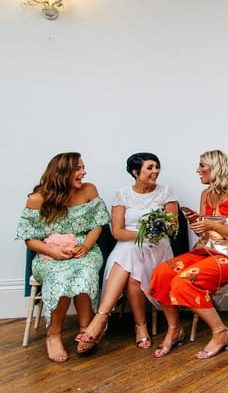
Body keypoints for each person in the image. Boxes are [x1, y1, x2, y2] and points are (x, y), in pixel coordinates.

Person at [148, 150, 228, 359]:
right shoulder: (205, 194)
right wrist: (200, 225)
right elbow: (208, 232)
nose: (198, 169)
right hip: (207, 249)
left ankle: (221, 333)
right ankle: (174, 329)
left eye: (202, 165)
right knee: (162, 272)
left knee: (184, 281)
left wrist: (211, 223)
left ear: (215, 167)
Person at [75, 152, 179, 351]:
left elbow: (172, 228)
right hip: (128, 245)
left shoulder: (167, 192)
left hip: (157, 247)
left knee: (130, 265)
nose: (155, 171)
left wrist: (153, 232)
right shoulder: (122, 194)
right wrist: (143, 233)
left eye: (157, 167)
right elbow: (118, 232)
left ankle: (102, 319)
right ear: (135, 171)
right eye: (150, 168)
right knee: (130, 260)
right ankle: (136, 326)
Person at [15, 152, 111, 362]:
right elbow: (29, 238)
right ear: (62, 172)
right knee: (60, 277)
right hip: (49, 254)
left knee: (84, 271)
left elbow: (98, 224)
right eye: (78, 168)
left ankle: (87, 330)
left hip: (84, 250)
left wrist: (86, 246)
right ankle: (54, 335)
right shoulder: (37, 199)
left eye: (83, 168)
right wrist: (54, 252)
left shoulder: (89, 190)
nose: (83, 172)